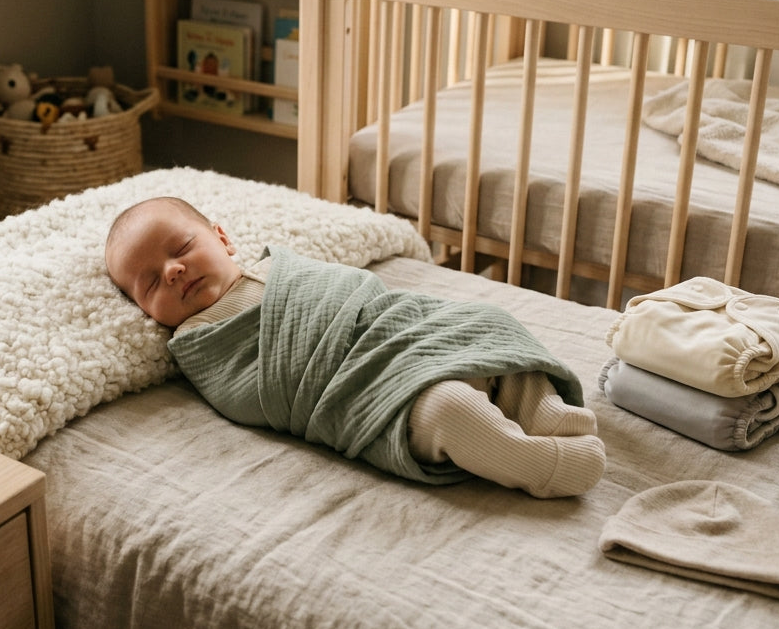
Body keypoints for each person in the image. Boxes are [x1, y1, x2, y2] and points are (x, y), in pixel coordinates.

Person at [104, 196, 606, 498]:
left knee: (486, 323)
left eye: (182, 249)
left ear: (222, 238)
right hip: (368, 392)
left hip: (396, 329)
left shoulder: (278, 266)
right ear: (145, 311)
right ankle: (542, 464)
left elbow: (348, 290)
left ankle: (543, 410)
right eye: (150, 284)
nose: (172, 271)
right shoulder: (199, 343)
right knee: (451, 409)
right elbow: (254, 393)